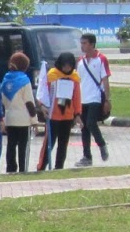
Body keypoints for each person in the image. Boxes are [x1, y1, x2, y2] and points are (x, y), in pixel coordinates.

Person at [1, 52, 42, 174]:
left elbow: (3, 101)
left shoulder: (5, 79)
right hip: (23, 119)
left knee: (11, 145)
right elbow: (29, 102)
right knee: (23, 146)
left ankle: (10, 168)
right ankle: (23, 169)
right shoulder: (24, 80)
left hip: (9, 118)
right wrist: (34, 121)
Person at [74, 32, 111, 166]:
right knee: (84, 127)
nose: (82, 46)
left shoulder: (101, 59)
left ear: (92, 44)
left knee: (91, 123)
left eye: (85, 43)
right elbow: (77, 81)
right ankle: (87, 156)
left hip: (95, 97)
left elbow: (105, 79)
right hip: (82, 99)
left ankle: (101, 144)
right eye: (81, 43)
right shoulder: (80, 61)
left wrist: (107, 99)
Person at [46, 52, 81, 170]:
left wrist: (77, 114)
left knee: (63, 144)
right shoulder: (52, 75)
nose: (67, 68)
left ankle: (59, 167)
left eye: (70, 66)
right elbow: (45, 93)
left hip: (67, 116)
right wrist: (43, 106)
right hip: (53, 115)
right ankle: (42, 166)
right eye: (65, 65)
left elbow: (77, 97)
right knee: (49, 144)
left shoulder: (74, 77)